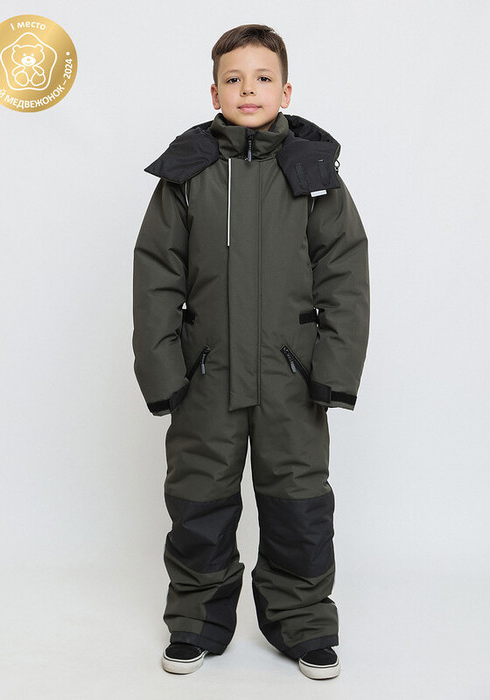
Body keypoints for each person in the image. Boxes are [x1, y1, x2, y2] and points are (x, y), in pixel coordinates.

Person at [132, 23, 370, 680]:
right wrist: (164, 371)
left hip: (290, 377)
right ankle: (196, 621)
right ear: (214, 92)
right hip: (206, 374)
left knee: (298, 503)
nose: (248, 89)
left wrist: (332, 370)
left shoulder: (313, 175)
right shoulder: (187, 175)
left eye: (262, 78)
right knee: (198, 501)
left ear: (285, 90)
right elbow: (155, 275)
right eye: (233, 79)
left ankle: (303, 623)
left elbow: (344, 273)